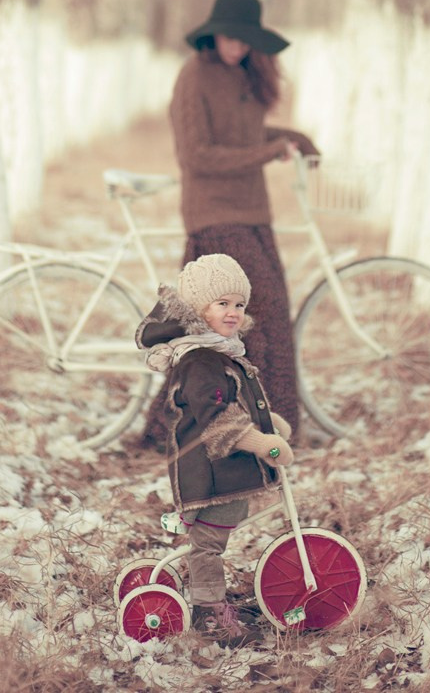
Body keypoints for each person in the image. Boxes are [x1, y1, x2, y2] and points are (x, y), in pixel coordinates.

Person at [141, 0, 319, 447]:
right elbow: (198, 155)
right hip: (215, 214)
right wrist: (267, 151)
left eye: (245, 41)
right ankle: (221, 428)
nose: (238, 47)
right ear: (213, 36)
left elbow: (245, 134)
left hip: (254, 212)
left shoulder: (245, 74)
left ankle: (264, 427)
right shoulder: (193, 77)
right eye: (230, 38)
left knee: (252, 320)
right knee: (251, 313)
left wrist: (292, 136)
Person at [136, 253, 294, 645]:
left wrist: (268, 423)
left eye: (239, 304)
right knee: (207, 544)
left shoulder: (220, 351)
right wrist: (263, 444)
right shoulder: (199, 360)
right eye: (222, 304)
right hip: (208, 470)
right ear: (198, 308)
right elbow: (217, 417)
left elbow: (236, 403)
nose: (233, 312)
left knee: (218, 530)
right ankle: (208, 611)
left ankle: (208, 599)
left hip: (224, 469)